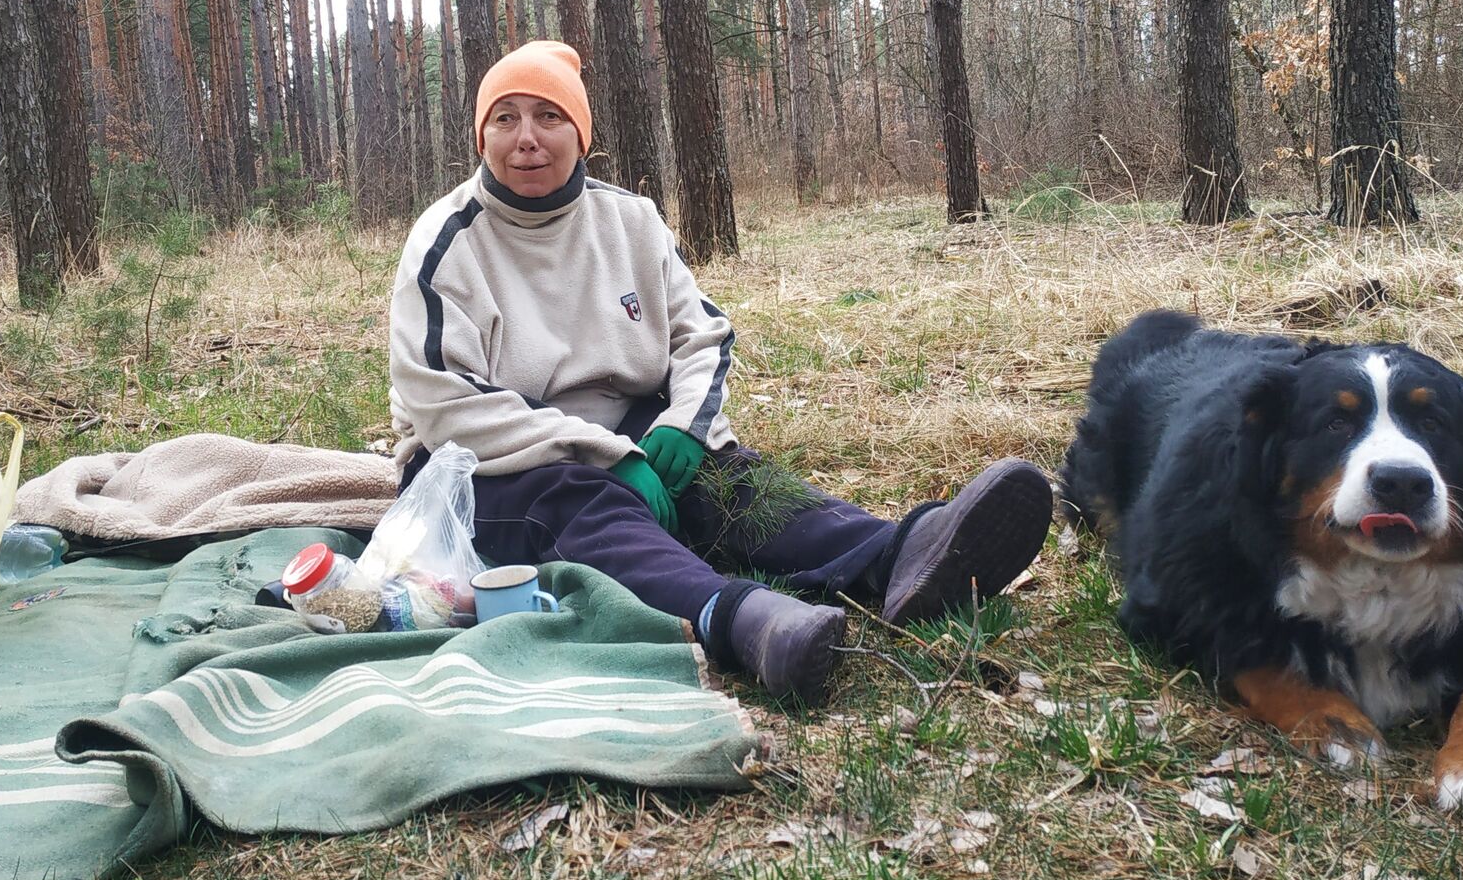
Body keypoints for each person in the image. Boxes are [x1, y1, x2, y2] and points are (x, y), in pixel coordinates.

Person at [388, 41, 1051, 701]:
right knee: (584, 501)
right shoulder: (447, 240)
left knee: (718, 476)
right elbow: (445, 404)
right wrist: (606, 456)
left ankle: (900, 555)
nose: (526, 139)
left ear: (581, 133)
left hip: (625, 430)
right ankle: (741, 620)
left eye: (548, 117)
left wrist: (683, 426)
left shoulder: (630, 220)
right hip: (487, 468)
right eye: (505, 118)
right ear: (482, 135)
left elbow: (700, 332)